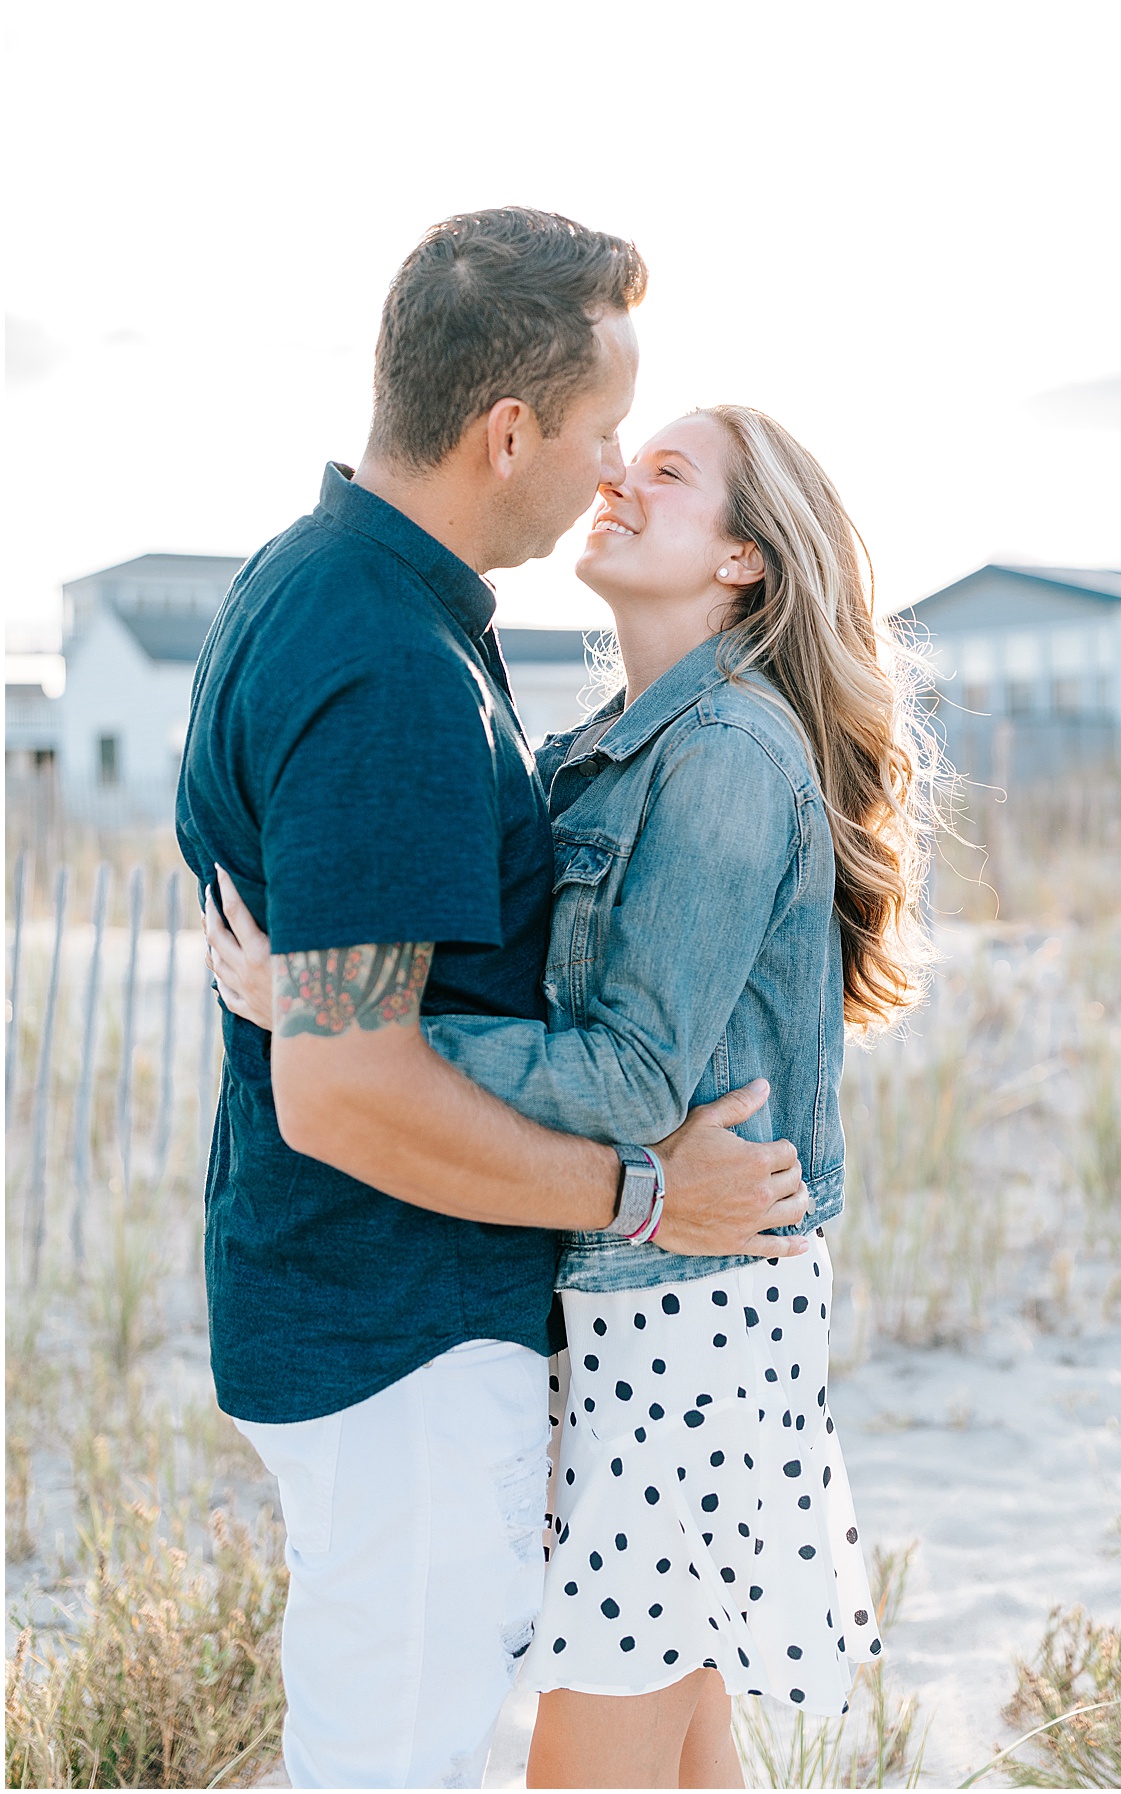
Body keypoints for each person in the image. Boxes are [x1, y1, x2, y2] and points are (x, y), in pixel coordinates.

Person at [206, 402, 933, 1786]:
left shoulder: (724, 755)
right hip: (643, 1296)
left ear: (745, 561)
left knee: (597, 1755)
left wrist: (352, 1026)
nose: (618, 478)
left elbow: (627, 1071)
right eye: (624, 453)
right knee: (677, 1741)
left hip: (690, 1316)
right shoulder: (608, 745)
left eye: (668, 473)